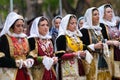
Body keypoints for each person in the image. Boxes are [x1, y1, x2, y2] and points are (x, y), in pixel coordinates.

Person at [56, 14, 93, 80]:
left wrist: (84, 53)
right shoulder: (62, 37)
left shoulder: (76, 36)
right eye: (72, 23)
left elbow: (82, 47)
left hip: (80, 66)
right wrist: (74, 54)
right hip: (68, 69)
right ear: (66, 25)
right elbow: (60, 55)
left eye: (76, 23)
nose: (75, 25)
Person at [0, 12, 34, 80]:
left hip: (25, 71)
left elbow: (29, 53)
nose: (21, 28)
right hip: (10, 73)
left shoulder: (24, 38)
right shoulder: (4, 38)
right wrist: (17, 63)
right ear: (12, 26)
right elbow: (1, 59)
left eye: (22, 26)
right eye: (18, 26)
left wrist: (29, 60)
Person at [80, 7, 112, 80]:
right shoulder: (84, 31)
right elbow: (81, 47)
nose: (98, 16)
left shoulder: (99, 29)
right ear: (89, 17)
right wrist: (93, 46)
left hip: (103, 58)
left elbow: (104, 40)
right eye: (95, 14)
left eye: (98, 14)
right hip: (91, 60)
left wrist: (104, 44)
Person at [98, 4, 120, 80]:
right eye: (108, 12)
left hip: (117, 51)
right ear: (103, 14)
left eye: (111, 11)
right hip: (108, 52)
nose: (111, 13)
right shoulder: (101, 25)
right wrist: (113, 42)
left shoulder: (113, 24)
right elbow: (101, 40)